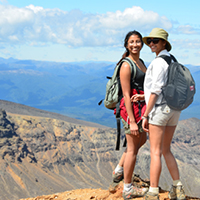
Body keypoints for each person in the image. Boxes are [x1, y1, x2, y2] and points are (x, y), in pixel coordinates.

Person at [142, 28, 186, 200]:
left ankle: (153, 191)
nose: (151, 44)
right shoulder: (172, 60)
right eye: (150, 41)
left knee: (155, 151)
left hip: (160, 109)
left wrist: (145, 115)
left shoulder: (159, 62)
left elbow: (156, 89)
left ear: (163, 43)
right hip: (174, 110)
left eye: (155, 41)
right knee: (166, 150)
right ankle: (178, 188)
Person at [109, 30, 148, 200]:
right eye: (131, 42)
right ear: (126, 44)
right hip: (130, 111)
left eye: (138, 41)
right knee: (132, 149)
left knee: (142, 139)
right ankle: (128, 188)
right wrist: (132, 121)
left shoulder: (140, 62)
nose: (135, 44)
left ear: (142, 44)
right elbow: (126, 95)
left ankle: (119, 170)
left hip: (141, 108)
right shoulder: (126, 65)